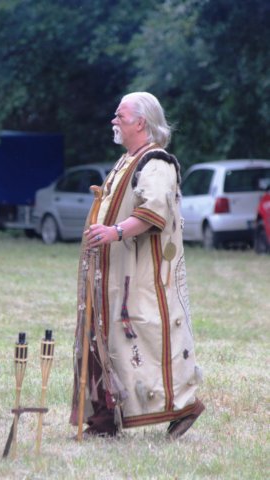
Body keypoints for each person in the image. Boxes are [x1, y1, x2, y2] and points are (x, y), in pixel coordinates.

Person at [70, 91, 205, 440]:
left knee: (145, 339)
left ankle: (182, 407)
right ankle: (103, 421)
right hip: (114, 273)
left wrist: (114, 231)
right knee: (104, 341)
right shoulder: (129, 159)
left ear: (140, 122)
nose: (114, 121)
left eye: (120, 116)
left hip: (141, 276)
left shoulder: (156, 163)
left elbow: (153, 212)